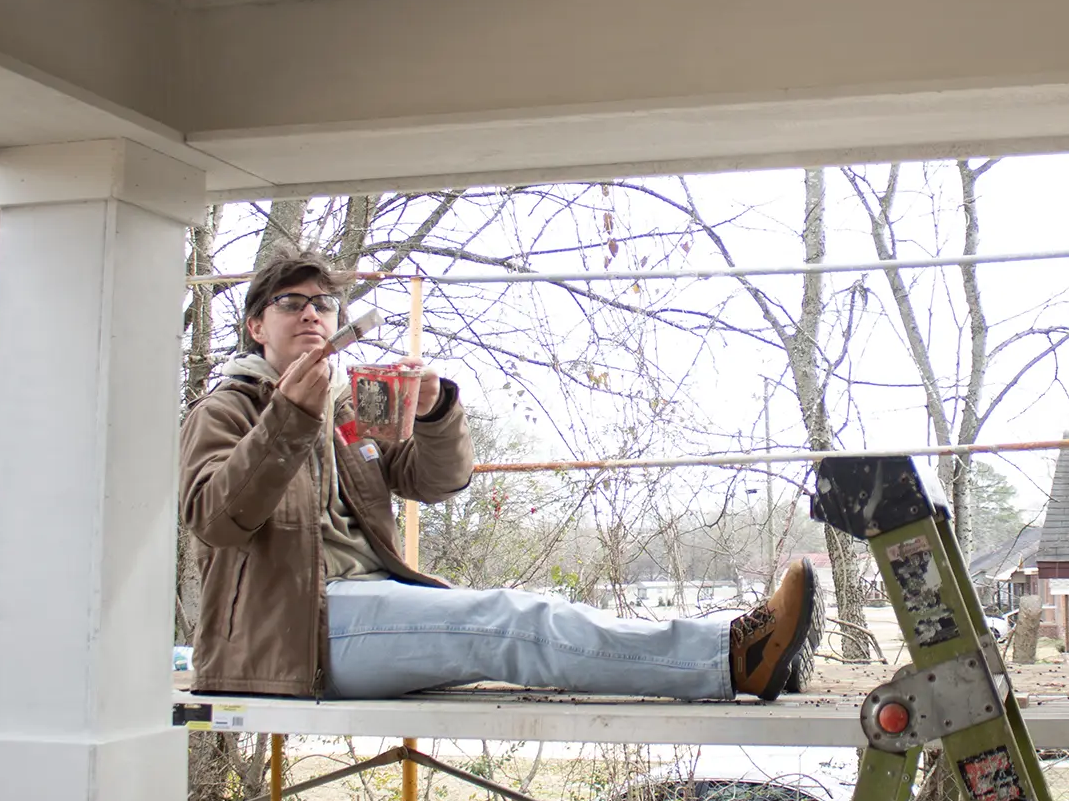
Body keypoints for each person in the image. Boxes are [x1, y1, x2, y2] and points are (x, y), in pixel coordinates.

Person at [181, 253, 815, 702]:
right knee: (508, 621)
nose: (313, 314)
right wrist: (290, 417)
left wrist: (434, 412)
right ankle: (728, 657)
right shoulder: (228, 409)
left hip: (366, 606)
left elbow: (436, 481)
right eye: (291, 304)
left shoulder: (346, 412)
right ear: (255, 326)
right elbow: (215, 517)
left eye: (324, 303)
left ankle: (751, 664)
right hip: (297, 634)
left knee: (509, 613)